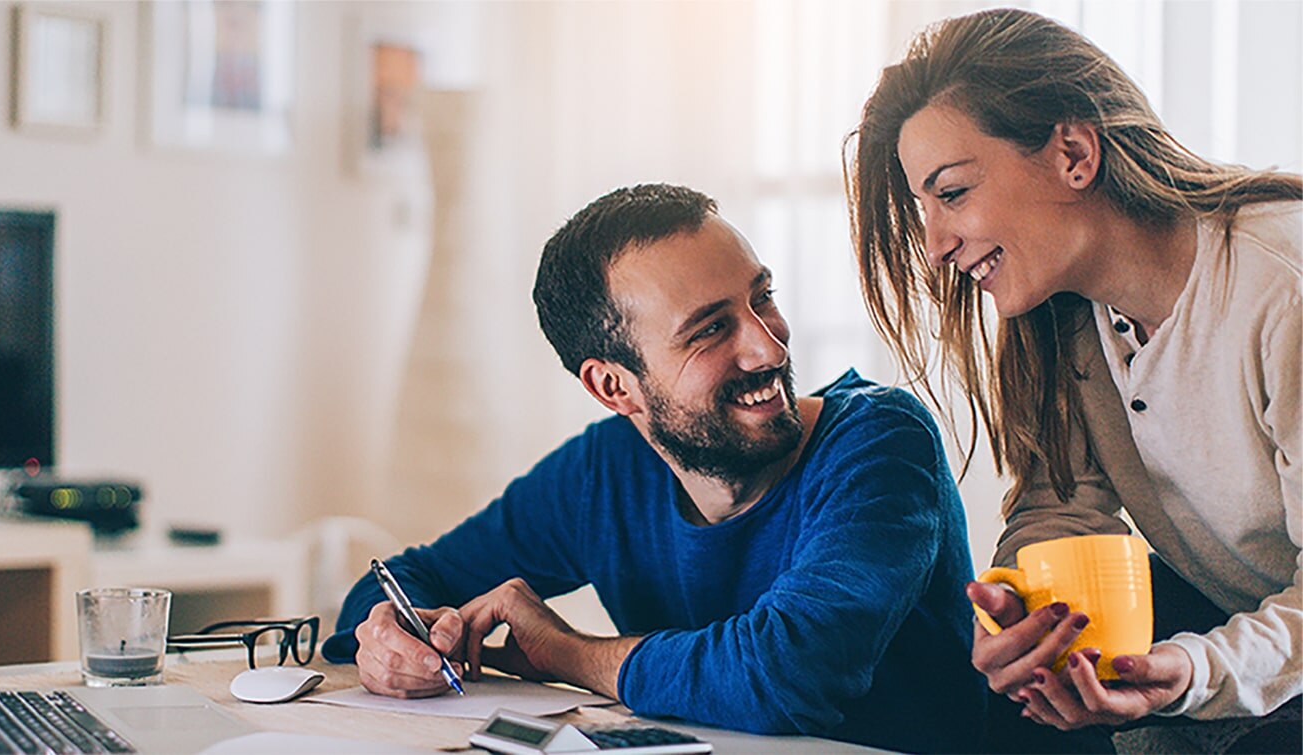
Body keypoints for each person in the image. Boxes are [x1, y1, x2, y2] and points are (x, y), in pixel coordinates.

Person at [319, 184, 985, 753]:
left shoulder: (878, 440)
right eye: (710, 330)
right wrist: (388, 634)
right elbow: (405, 581)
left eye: (762, 298)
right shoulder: (602, 473)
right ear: (615, 387)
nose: (766, 343)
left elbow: (789, 674)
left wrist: (565, 651)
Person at [845, 8, 1301, 753]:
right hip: (1243, 625)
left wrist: (1191, 666)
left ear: (1074, 154)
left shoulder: (1283, 289)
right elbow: (1062, 502)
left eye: (951, 193)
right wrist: (1019, 619)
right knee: (1012, 694)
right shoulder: (1067, 315)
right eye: (923, 209)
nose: (932, 245)